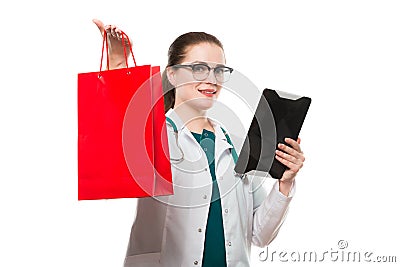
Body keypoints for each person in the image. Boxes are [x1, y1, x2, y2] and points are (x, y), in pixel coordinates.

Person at [92, 19, 306, 267]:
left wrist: (285, 182)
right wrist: (118, 64)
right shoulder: (154, 136)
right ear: (172, 74)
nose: (212, 79)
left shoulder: (236, 146)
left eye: (219, 70)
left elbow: (260, 235)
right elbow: (116, 133)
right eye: (199, 69)